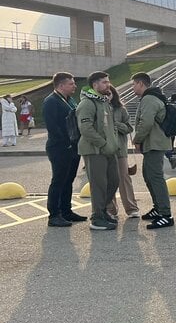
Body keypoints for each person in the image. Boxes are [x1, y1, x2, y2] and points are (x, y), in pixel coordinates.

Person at [75, 71, 120, 231]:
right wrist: (103, 144)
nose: (108, 85)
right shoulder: (87, 103)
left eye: (108, 81)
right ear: (95, 85)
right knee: (99, 185)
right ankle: (97, 217)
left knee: (114, 181)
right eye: (104, 82)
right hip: (94, 151)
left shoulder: (104, 102)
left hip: (109, 150)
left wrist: (113, 144)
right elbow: (85, 128)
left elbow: (110, 127)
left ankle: (102, 211)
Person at [42, 72, 84, 227]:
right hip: (60, 148)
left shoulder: (69, 100)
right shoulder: (51, 101)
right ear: (61, 85)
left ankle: (66, 211)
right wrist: (66, 143)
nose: (74, 86)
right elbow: (52, 126)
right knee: (58, 180)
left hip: (73, 147)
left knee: (69, 180)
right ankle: (54, 215)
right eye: (71, 84)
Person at [132, 73, 174, 229]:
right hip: (153, 143)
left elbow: (147, 122)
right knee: (149, 176)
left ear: (141, 84)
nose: (133, 87)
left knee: (155, 177)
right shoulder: (151, 97)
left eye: (134, 84)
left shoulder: (149, 99)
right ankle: (158, 209)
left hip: (154, 143)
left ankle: (165, 214)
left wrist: (137, 139)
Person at [105, 84, 140, 219]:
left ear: (114, 94)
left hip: (120, 149)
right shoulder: (98, 109)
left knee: (124, 178)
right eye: (105, 94)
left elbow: (129, 128)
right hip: (105, 149)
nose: (108, 96)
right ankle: (110, 209)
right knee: (109, 179)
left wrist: (115, 124)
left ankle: (131, 208)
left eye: (110, 93)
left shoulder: (121, 109)